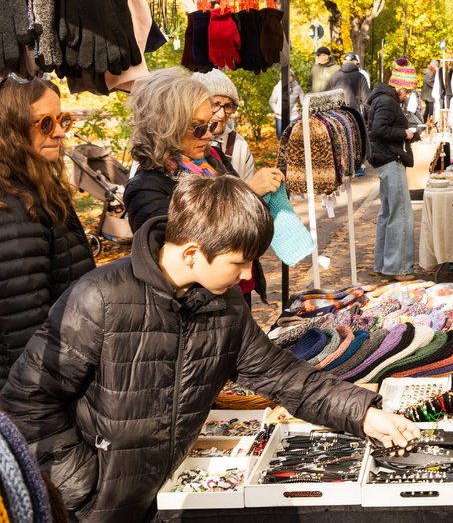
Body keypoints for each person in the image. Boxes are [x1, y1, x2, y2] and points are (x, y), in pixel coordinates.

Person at [1, 174, 421, 521]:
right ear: (191, 253)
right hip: (93, 510)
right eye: (238, 262)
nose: (244, 275)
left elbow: (283, 375)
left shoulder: (223, 305)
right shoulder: (98, 300)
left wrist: (363, 413)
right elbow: (26, 404)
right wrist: (84, 487)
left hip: (164, 499)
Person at [123, 67, 284, 305]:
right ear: (167, 126)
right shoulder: (146, 189)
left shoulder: (212, 160)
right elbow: (184, 260)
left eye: (209, 125)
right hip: (196, 311)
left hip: (234, 294)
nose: (208, 135)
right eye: (198, 127)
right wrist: (249, 192)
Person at [0, 75, 95, 388]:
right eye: (45, 123)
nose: (60, 132)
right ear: (11, 130)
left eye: (62, 119)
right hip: (38, 393)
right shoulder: (13, 209)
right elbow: (24, 329)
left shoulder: (38, 188)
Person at [367, 61, 418, 281]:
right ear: (401, 88)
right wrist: (405, 133)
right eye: (408, 91)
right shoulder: (388, 101)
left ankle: (383, 264)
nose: (407, 96)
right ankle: (397, 268)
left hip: (383, 158)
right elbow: (380, 130)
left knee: (387, 214)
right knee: (400, 214)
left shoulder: (381, 98)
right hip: (390, 158)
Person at [191, 69, 256, 181]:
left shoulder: (238, 145)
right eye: (215, 104)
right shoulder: (181, 146)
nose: (221, 115)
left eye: (228, 106)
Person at [327, 51, 371, 118]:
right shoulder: (360, 77)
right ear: (355, 62)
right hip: (354, 115)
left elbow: (328, 97)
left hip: (336, 115)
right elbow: (366, 101)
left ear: (344, 62)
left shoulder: (334, 76)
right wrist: (368, 119)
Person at [268, 68, 303, 136]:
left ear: (293, 76)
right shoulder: (277, 87)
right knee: (280, 137)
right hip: (280, 117)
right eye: (286, 75)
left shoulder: (297, 88)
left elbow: (303, 101)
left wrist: (305, 110)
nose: (288, 77)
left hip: (294, 117)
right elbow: (271, 101)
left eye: (290, 75)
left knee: (293, 138)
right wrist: (278, 111)